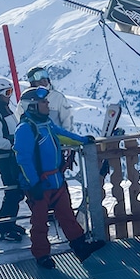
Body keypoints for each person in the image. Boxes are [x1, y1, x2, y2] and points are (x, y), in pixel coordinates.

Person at [13, 87, 106, 269]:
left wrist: (83, 140)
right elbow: (22, 158)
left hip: (55, 180)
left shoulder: (45, 124)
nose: (48, 104)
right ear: (32, 106)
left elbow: (64, 136)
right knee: (39, 221)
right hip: (40, 184)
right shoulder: (25, 129)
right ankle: (42, 256)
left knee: (66, 215)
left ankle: (79, 246)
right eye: (44, 102)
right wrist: (35, 183)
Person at [0, 76, 25, 242]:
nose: (9, 95)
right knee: (13, 191)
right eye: (7, 92)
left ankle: (9, 223)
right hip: (5, 158)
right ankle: (1, 227)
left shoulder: (4, 109)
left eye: (11, 92)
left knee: (17, 191)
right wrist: (16, 145)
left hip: (12, 156)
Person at [14, 65, 74, 130]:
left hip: (56, 136)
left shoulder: (57, 97)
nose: (43, 80)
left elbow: (67, 120)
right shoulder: (26, 99)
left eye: (44, 76)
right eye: (38, 77)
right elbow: (19, 117)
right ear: (32, 82)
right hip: (35, 136)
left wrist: (66, 137)